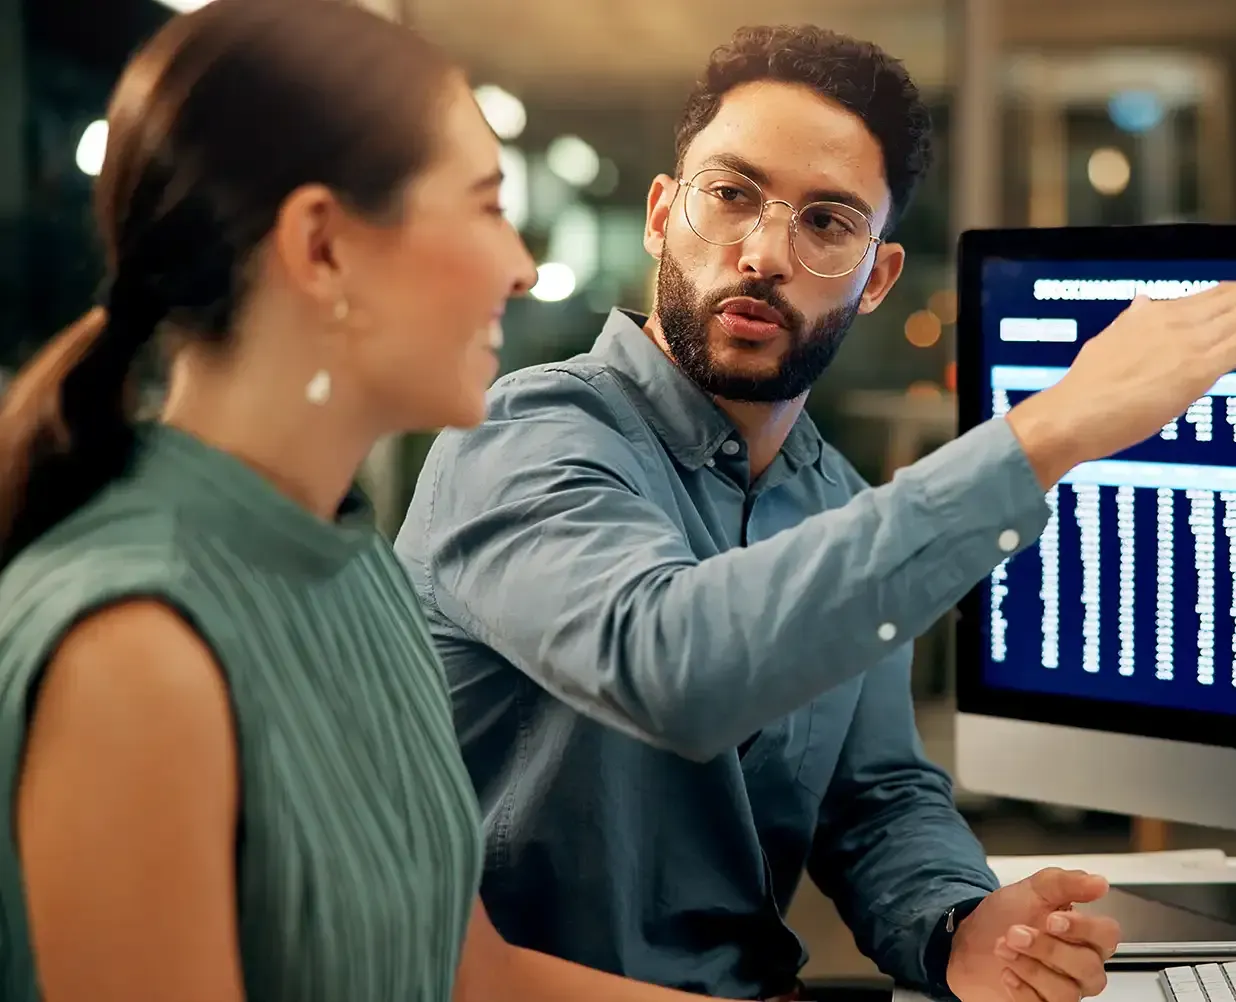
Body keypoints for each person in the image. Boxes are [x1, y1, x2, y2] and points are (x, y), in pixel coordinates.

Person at [394, 23, 1236, 1002]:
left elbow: (875, 797)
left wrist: (961, 921)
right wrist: (1050, 430)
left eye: (827, 223)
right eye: (731, 196)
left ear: (877, 276)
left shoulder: (834, 501)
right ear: (663, 215)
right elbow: (668, 658)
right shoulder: (521, 435)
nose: (763, 254)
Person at [0, 3, 791, 1001]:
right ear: (323, 248)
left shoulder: (352, 566)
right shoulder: (135, 650)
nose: (517, 264)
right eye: (484, 204)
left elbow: (474, 978)